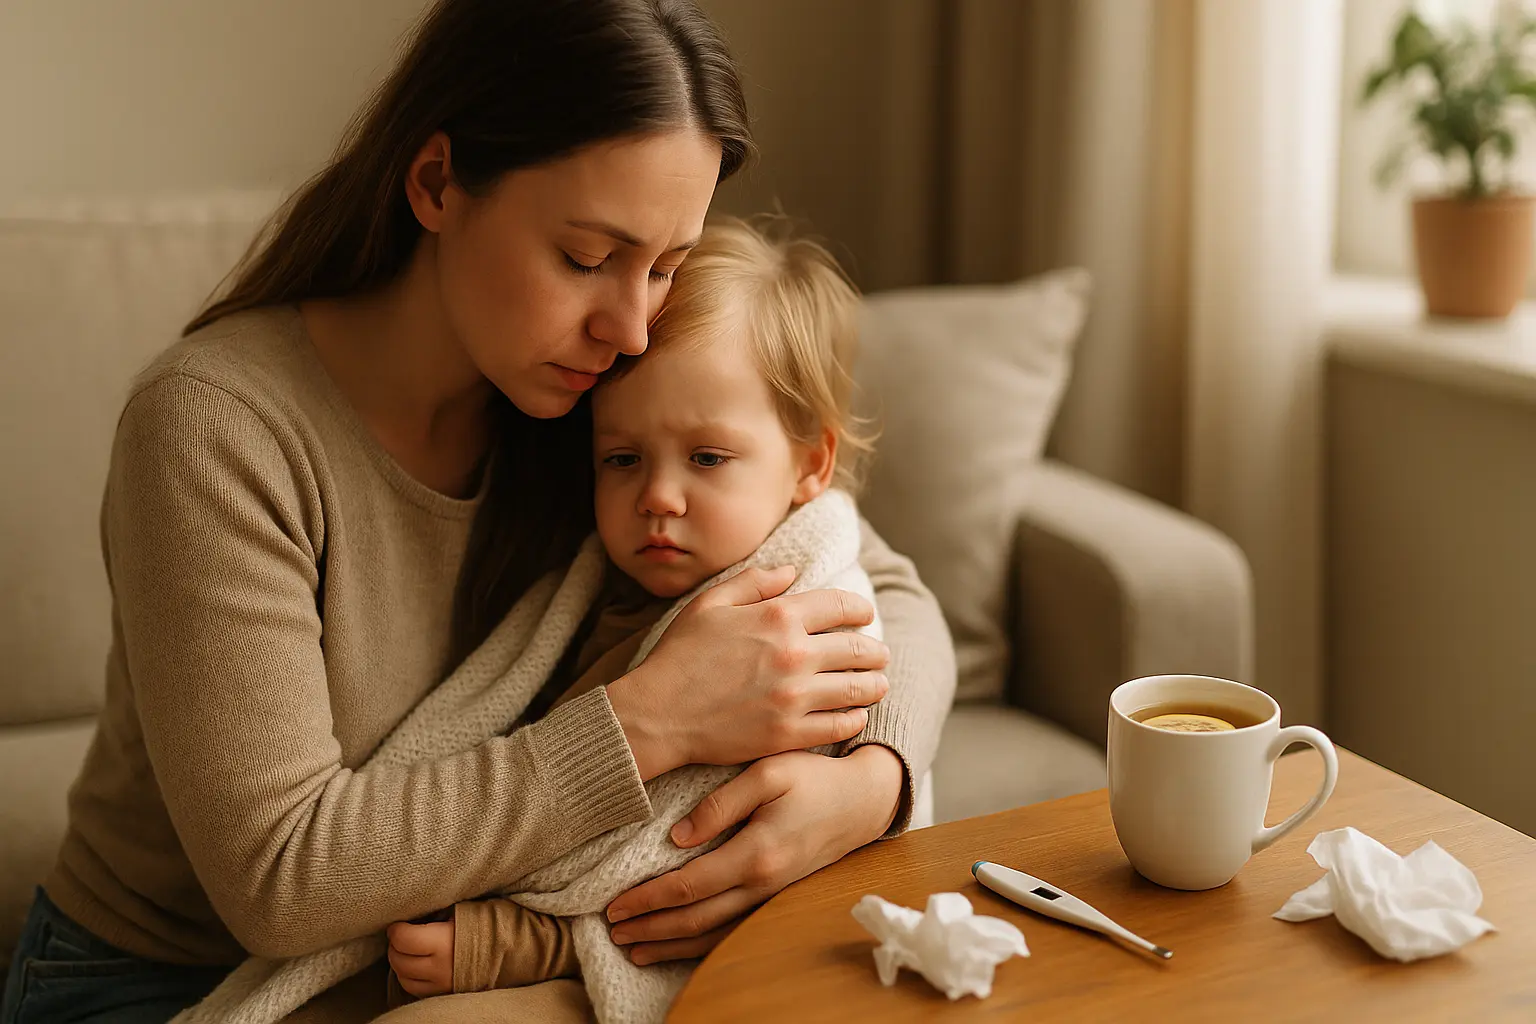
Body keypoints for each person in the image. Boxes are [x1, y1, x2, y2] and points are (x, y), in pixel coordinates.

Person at [0, 2, 955, 1022]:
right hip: (173, 983)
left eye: (666, 265)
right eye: (588, 256)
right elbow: (282, 880)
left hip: (443, 955)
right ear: (436, 183)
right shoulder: (216, 429)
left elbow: (873, 575)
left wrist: (876, 783)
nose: (633, 324)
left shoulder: (590, 391)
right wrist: (655, 719)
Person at [382, 217, 889, 1016]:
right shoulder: (602, 593)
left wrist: (505, 944)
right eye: (622, 459)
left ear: (812, 465)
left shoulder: (798, 631)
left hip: (672, 953)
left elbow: (685, 861)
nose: (657, 495)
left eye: (708, 458)